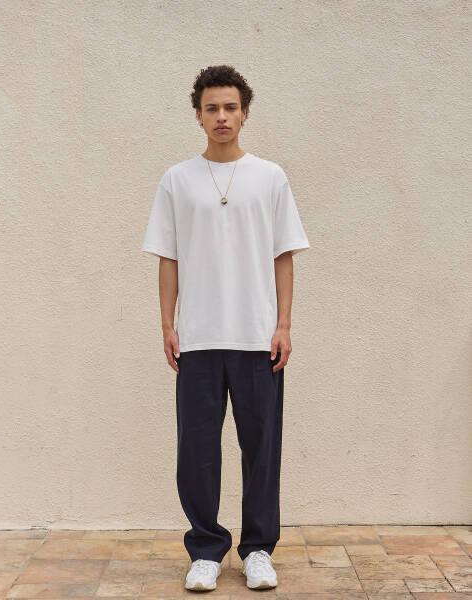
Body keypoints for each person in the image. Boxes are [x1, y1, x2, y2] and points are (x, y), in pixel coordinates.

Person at [141, 65, 311, 591]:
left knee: (261, 448)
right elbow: (167, 257)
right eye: (211, 108)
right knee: (196, 451)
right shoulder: (177, 179)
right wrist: (167, 324)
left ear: (244, 113)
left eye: (230, 107)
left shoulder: (270, 177)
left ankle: (258, 549)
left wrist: (283, 324)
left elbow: (284, 255)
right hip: (197, 337)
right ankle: (206, 550)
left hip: (258, 337)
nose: (222, 116)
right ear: (198, 115)